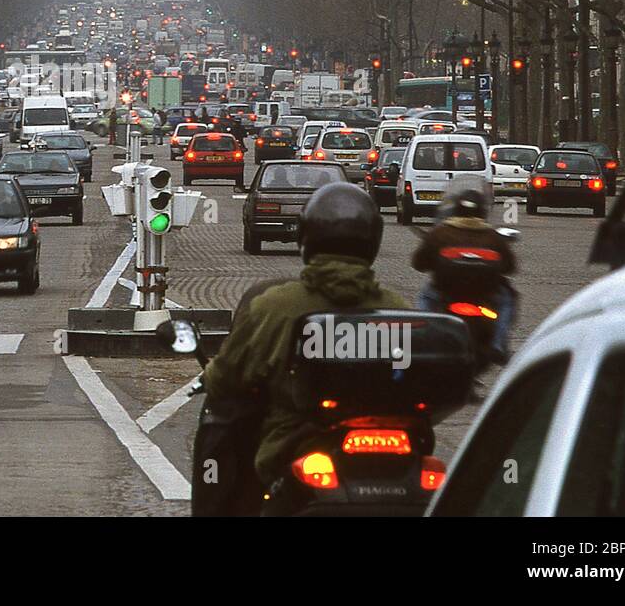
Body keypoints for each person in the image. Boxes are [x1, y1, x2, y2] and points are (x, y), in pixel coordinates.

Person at [198, 183, 405, 516]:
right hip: (392, 456)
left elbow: (227, 378)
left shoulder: (274, 305)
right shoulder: (400, 310)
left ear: (306, 237)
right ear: (373, 240)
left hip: (296, 447)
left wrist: (212, 375)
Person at [410, 185, 517, 364]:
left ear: (456, 209)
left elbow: (418, 263)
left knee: (425, 298)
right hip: (486, 296)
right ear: (482, 211)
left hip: (445, 294)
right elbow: (510, 267)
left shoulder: (441, 233)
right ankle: (498, 344)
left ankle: (422, 340)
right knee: (507, 300)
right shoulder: (492, 236)